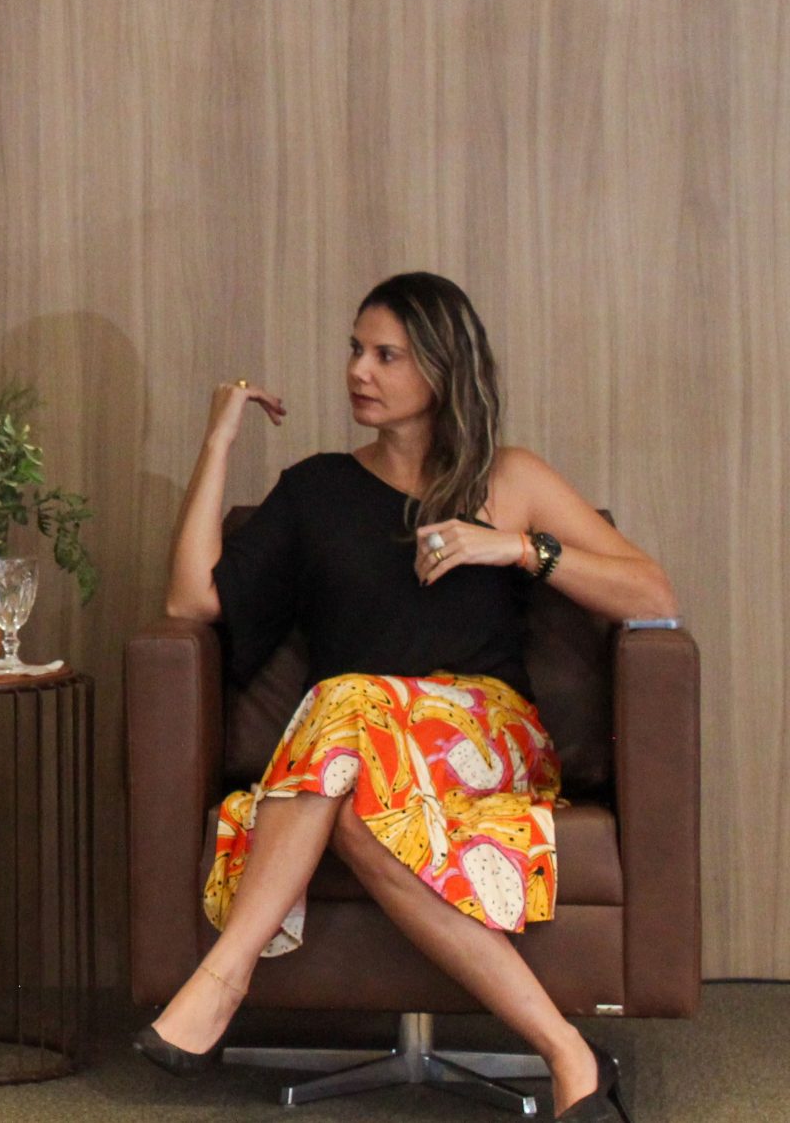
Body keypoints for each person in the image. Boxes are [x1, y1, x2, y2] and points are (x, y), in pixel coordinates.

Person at [142, 272, 678, 1122]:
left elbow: (652, 593)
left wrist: (516, 549)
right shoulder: (316, 490)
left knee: (346, 705)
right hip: (355, 751)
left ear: (441, 368)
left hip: (483, 737)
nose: (360, 370)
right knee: (355, 789)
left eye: (387, 355)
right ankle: (571, 1054)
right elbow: (190, 604)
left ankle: (224, 976)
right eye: (356, 349)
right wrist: (217, 441)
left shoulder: (508, 479)